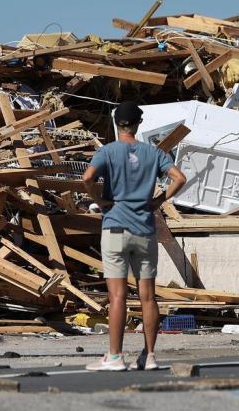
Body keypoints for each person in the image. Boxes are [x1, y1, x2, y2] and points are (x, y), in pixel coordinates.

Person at [82, 101, 186, 372]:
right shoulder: (153, 153)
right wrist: (158, 201)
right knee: (148, 296)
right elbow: (179, 178)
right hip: (144, 229)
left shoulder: (108, 151)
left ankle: (115, 357)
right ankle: (149, 356)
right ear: (138, 124)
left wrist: (100, 201)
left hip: (115, 228)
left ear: (117, 124)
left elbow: (87, 178)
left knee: (117, 296)